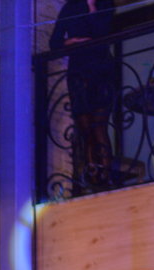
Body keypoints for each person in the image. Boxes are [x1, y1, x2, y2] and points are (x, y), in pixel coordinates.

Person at [50, 0, 117, 190]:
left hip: (101, 70)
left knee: (99, 125)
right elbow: (54, 42)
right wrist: (69, 42)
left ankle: (105, 174)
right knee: (85, 127)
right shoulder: (71, 7)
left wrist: (92, 7)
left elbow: (103, 32)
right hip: (79, 71)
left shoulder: (105, 4)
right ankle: (92, 176)